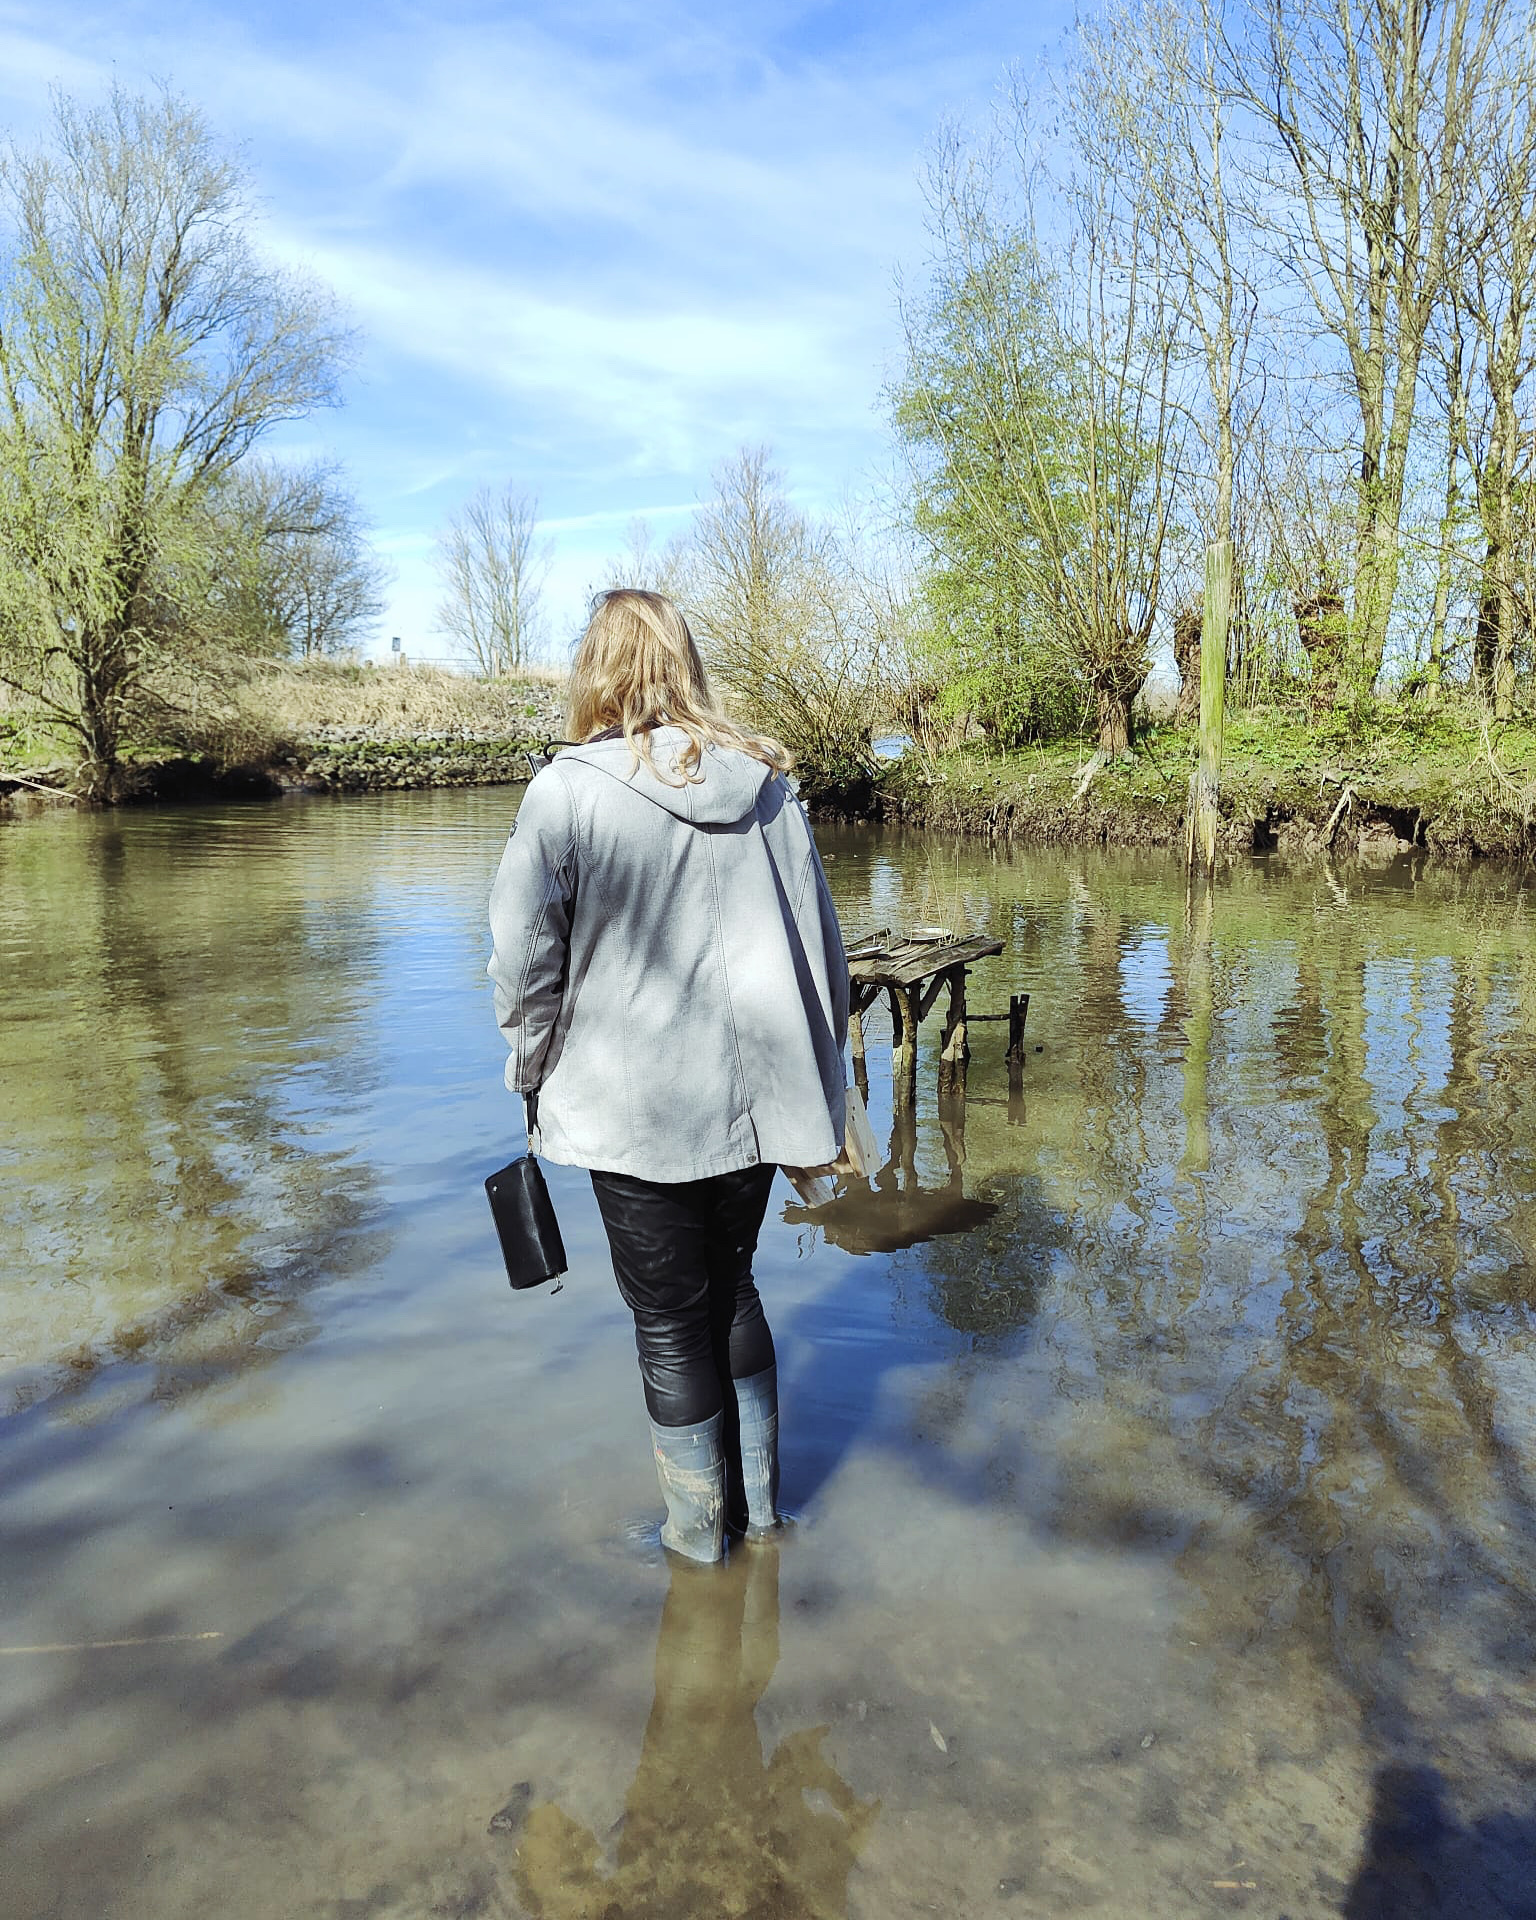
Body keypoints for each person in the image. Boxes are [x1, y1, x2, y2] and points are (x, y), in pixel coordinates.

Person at [487, 589, 849, 1564]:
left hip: (632, 1106)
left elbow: (525, 964)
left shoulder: (565, 792)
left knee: (668, 1323)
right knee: (730, 1292)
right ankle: (764, 1525)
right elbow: (825, 948)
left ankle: (697, 1548)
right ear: (685, 665)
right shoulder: (768, 784)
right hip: (755, 1102)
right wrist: (827, 1096)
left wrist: (528, 1069)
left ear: (594, 669)